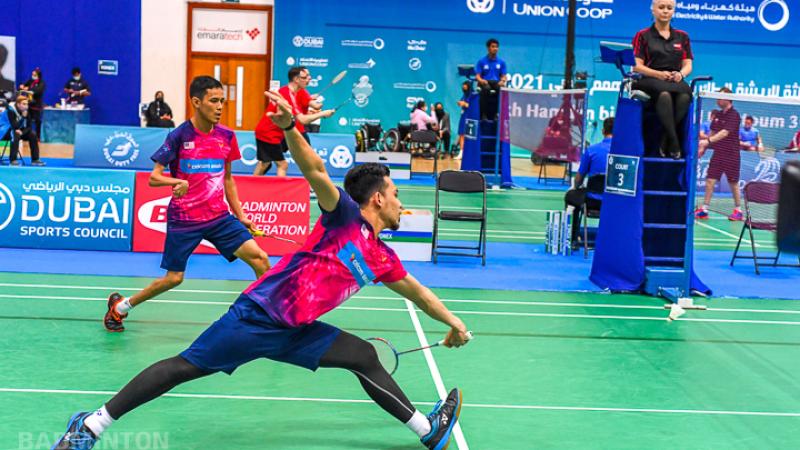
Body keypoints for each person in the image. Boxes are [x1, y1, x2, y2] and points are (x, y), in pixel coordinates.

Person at [52, 89, 469, 450]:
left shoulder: (382, 257)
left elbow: (420, 294)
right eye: (395, 194)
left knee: (362, 355)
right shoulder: (342, 215)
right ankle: (90, 426)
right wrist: (290, 128)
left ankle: (428, 431)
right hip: (257, 317)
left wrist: (455, 324)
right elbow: (315, 170)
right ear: (377, 199)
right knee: (184, 367)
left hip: (296, 330)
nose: (401, 202)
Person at [101, 76, 270, 333]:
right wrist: (176, 182)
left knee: (260, 259)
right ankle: (121, 307)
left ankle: (266, 317)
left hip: (218, 217)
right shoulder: (179, 136)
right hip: (185, 219)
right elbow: (154, 177)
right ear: (196, 102)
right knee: (174, 278)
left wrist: (242, 215)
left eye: (222, 101)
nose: (220, 106)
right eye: (213, 100)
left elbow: (228, 179)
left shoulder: (226, 136)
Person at [632, 0, 693, 159]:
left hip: (673, 79)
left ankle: (666, 137)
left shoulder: (682, 36)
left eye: (669, 8)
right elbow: (636, 66)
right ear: (653, 10)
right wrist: (658, 74)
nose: (665, 11)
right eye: (661, 7)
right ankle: (674, 143)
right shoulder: (642, 35)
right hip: (649, 79)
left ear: (673, 11)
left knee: (685, 94)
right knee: (664, 93)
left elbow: (688, 65)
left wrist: (681, 74)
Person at [253, 66, 333, 177]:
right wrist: (323, 114)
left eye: (309, 76)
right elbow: (302, 119)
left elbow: (307, 109)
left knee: (265, 163)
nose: (309, 79)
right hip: (268, 133)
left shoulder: (296, 92)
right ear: (296, 79)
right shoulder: (286, 94)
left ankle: (251, 186)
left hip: (277, 133)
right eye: (305, 77)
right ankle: (280, 192)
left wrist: (315, 109)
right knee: (282, 165)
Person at [696, 88, 743, 221]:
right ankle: (704, 209)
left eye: (719, 97)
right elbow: (712, 132)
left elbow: (724, 133)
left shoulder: (734, 115)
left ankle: (738, 210)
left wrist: (707, 141)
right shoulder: (718, 115)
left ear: (727, 99)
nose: (717, 99)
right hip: (718, 153)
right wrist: (702, 149)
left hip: (731, 153)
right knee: (710, 180)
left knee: (733, 182)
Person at [564, 117, 613, 245]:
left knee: (570, 196)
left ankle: (573, 238)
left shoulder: (592, 150)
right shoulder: (624, 153)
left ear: (603, 131)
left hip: (592, 201)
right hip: (614, 201)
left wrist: (576, 187)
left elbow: (579, 179)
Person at [6, 95, 45, 166]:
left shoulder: (26, 111)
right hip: (6, 131)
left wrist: (22, 132)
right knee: (15, 134)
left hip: (18, 131)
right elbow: (14, 126)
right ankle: (13, 160)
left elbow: (29, 127)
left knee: (32, 134)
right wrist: (23, 117)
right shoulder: (10, 110)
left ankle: (35, 160)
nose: (26, 106)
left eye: (27, 104)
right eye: (24, 104)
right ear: (18, 104)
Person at [475, 38, 507, 120]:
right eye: (493, 47)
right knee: (486, 89)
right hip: (485, 82)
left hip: (496, 82)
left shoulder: (501, 62)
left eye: (496, 47)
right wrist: (481, 80)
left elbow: (504, 76)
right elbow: (477, 76)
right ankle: (484, 115)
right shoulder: (481, 61)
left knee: (501, 90)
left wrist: (502, 81)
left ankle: (496, 114)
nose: (495, 49)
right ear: (488, 48)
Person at [18, 68, 45, 138]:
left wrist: (28, 89)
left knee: (37, 121)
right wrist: (22, 86)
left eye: (34, 75)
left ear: (38, 75)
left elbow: (38, 90)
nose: (33, 76)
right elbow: (23, 86)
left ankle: (38, 136)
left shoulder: (41, 82)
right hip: (29, 105)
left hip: (37, 106)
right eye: (32, 74)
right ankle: (26, 135)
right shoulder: (30, 81)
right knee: (27, 121)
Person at [456, 81, 473, 159]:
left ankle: (469, 153)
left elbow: (473, 106)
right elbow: (462, 102)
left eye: (465, 87)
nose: (463, 88)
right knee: (461, 134)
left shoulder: (473, 95)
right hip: (463, 116)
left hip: (469, 116)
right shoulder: (464, 95)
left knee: (469, 136)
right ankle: (461, 153)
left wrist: (465, 104)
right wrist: (460, 103)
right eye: (463, 87)